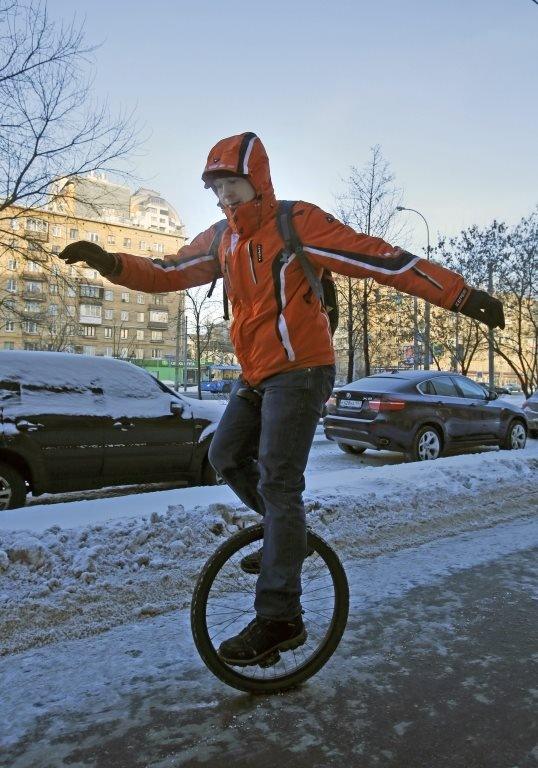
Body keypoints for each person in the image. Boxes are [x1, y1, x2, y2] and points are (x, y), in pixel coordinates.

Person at [58, 132, 504, 667]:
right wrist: (111, 263)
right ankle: (283, 538)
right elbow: (170, 272)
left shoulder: (297, 223)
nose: (226, 198)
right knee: (224, 455)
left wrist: (460, 294)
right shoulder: (223, 238)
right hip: (256, 373)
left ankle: (280, 618)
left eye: (234, 186)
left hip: (301, 369)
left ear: (258, 182)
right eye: (217, 189)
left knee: (278, 476)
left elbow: (383, 260)